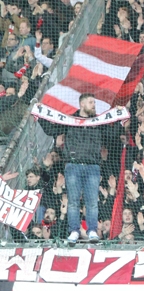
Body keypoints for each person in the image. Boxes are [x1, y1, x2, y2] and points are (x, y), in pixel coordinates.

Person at [38, 93, 109, 243]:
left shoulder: (99, 121)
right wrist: (39, 117)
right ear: (82, 104)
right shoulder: (69, 120)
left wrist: (122, 121)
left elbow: (112, 134)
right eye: (91, 102)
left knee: (92, 202)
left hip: (93, 167)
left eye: (94, 102)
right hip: (73, 166)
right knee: (73, 201)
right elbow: (51, 130)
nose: (94, 105)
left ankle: (92, 231)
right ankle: (74, 231)